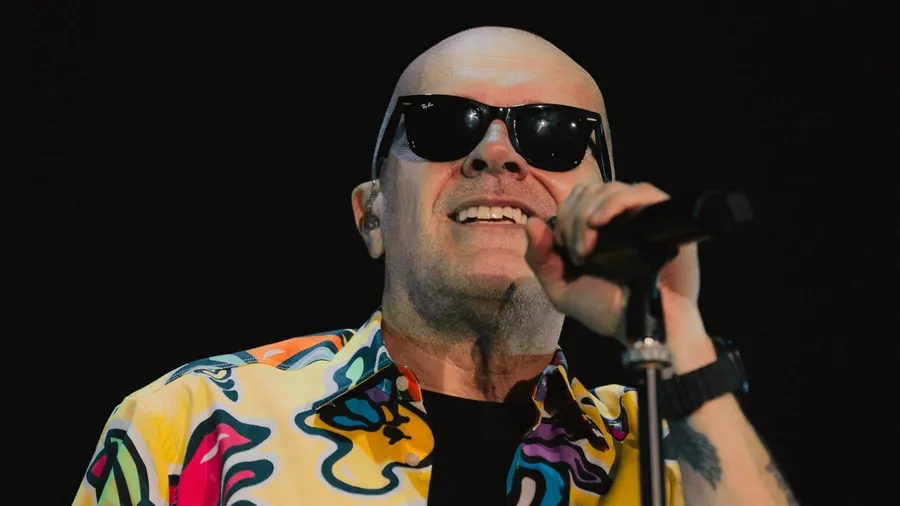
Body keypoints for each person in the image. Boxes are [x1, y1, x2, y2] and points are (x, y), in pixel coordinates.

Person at [73, 26, 797, 506]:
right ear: (372, 214)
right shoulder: (195, 422)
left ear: (601, 201)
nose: (496, 153)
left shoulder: (671, 449)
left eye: (552, 134)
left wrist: (674, 327)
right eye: (441, 124)